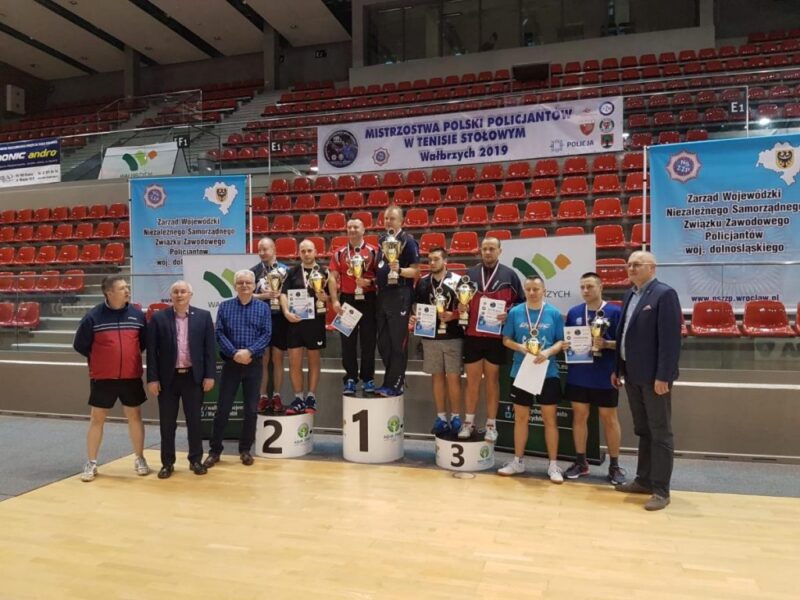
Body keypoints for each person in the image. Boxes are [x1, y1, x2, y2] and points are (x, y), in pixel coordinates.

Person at [612, 251, 682, 511]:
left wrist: (664, 375)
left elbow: (670, 341)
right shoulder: (629, 294)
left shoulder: (665, 294)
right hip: (631, 374)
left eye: (637, 264)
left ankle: (661, 490)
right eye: (629, 264)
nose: (631, 268)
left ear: (652, 267)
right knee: (643, 430)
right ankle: (644, 480)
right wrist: (618, 368)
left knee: (660, 432)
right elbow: (624, 335)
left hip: (655, 379)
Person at [72, 275, 149, 482]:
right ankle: (91, 462)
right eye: (122, 288)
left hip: (131, 376)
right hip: (103, 378)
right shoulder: (93, 317)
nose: (127, 291)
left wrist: (128, 358)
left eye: (127, 287)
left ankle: (140, 458)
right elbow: (80, 345)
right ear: (109, 293)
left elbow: (142, 343)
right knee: (97, 418)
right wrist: (103, 360)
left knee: (135, 416)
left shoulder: (137, 315)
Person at [498, 276, 565, 483]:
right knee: (520, 418)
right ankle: (518, 461)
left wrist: (548, 352)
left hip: (548, 372)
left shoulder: (554, 313)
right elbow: (506, 339)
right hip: (521, 371)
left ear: (544, 290)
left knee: (550, 419)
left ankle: (553, 465)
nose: (532, 292)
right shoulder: (515, 312)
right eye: (528, 289)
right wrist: (520, 347)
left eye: (536, 289)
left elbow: (561, 341)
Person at [146, 280, 216, 478]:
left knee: (194, 422)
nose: (179, 295)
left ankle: (195, 460)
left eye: (183, 291)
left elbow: (209, 350)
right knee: (167, 424)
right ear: (171, 296)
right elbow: (152, 351)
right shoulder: (158, 318)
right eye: (176, 292)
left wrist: (210, 375)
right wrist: (152, 379)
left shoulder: (203, 316)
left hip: (193, 378)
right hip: (167, 380)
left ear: (190, 295)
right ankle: (167, 463)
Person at [562, 272, 626, 485]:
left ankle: (615, 466)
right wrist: (567, 345)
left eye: (590, 286)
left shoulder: (615, 312)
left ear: (601, 287)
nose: (585, 290)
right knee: (579, 417)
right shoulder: (574, 312)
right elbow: (569, 340)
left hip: (605, 374)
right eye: (582, 287)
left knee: (609, 418)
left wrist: (607, 344)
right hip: (579, 374)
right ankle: (581, 462)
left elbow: (625, 343)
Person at [204, 269, 271, 468]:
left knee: (251, 410)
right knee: (222, 409)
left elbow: (267, 334)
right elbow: (219, 333)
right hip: (231, 363)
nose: (244, 285)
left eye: (248, 282)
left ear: (254, 285)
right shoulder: (225, 307)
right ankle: (215, 451)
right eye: (240, 282)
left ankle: (245, 450)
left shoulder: (263, 308)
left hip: (253, 364)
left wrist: (249, 352)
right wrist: (235, 353)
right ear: (235, 286)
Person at [459, 237, 523, 441]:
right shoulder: (469, 274)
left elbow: (520, 304)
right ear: (480, 251)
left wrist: (509, 313)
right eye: (485, 249)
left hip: (496, 337)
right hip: (472, 335)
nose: (488, 252)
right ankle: (468, 423)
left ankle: (491, 425)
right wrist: (461, 307)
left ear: (499, 251)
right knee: (472, 382)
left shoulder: (510, 275)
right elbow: (458, 302)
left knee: (492, 382)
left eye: (492, 249)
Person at [280, 239, 337, 414]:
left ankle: (311, 397)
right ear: (299, 253)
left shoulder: (325, 272)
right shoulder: (292, 272)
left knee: (314, 360)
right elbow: (283, 294)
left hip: (315, 322)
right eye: (303, 251)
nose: (306, 254)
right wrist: (286, 312)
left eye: (309, 250)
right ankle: (298, 397)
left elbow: (334, 297)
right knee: (294, 361)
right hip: (295, 321)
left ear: (316, 252)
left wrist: (325, 298)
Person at [410, 247, 463, 435]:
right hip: (430, 336)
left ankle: (456, 417)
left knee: (453, 377)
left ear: (445, 261)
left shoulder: (458, 281)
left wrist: (454, 315)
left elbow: (467, 308)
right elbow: (416, 306)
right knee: (437, 377)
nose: (432, 263)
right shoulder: (423, 282)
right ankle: (441, 417)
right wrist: (415, 316)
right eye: (429, 260)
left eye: (436, 259)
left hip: (453, 336)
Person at [374, 205, 420, 396]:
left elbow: (416, 271)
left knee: (397, 341)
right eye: (386, 218)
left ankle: (396, 383)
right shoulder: (382, 240)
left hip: (400, 294)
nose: (388, 222)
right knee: (383, 342)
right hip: (383, 295)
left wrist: (399, 270)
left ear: (401, 221)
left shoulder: (408, 241)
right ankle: (390, 380)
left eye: (392, 218)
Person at [329, 219, 378, 395]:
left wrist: (369, 282)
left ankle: (368, 378)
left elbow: (382, 276)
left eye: (356, 227)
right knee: (347, 341)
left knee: (368, 341)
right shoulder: (339, 253)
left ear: (363, 230)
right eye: (349, 227)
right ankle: (350, 378)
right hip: (347, 299)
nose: (352, 229)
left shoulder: (374, 251)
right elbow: (332, 277)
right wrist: (335, 301)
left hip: (369, 299)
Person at [251, 237, 289, 414]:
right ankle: (263, 396)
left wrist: (281, 295)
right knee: (263, 359)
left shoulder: (285, 270)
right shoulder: (253, 272)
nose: (262, 253)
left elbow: (292, 294)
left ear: (274, 249)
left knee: (278, 358)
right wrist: (262, 296)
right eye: (259, 250)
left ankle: (277, 395)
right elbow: (246, 295)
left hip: (280, 318)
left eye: (265, 249)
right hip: (260, 319)